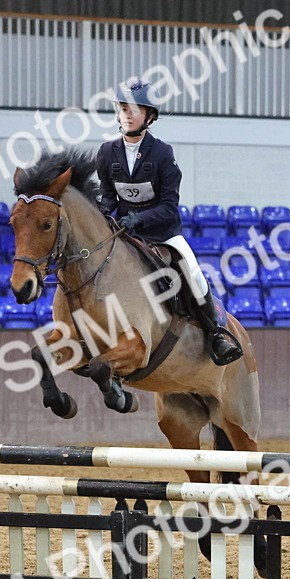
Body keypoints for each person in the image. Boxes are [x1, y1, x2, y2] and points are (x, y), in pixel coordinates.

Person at [95, 81, 242, 366]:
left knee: (193, 271)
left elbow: (168, 205)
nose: (127, 114)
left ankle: (216, 334)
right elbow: (108, 196)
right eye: (123, 108)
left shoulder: (162, 153)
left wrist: (139, 217)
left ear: (149, 117)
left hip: (162, 234)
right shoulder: (106, 153)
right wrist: (106, 215)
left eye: (134, 109)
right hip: (125, 233)